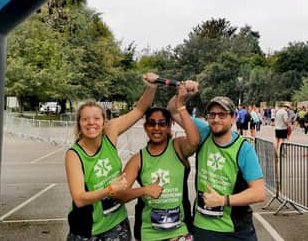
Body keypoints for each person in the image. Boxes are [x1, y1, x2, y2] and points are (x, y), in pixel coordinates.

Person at [64, 72, 160, 241]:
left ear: (104, 122)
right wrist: (110, 190)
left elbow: (139, 110)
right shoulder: (74, 155)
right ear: (79, 123)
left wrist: (151, 87)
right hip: (89, 230)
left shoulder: (110, 132)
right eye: (85, 119)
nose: (91, 123)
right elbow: (79, 199)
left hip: (117, 224)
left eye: (96, 118)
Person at [168, 96, 265, 241]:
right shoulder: (203, 132)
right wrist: (184, 92)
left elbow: (259, 193)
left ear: (233, 118)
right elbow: (172, 110)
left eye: (222, 114)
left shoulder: (244, 149)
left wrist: (223, 200)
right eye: (212, 115)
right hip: (204, 227)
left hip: (235, 229)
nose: (216, 119)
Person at [117, 81, 200, 241]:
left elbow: (195, 141)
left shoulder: (177, 147)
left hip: (180, 230)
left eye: (162, 124)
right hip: (149, 232)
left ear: (169, 127)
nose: (157, 128)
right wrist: (144, 190)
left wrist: (181, 105)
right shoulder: (138, 159)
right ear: (145, 127)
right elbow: (119, 195)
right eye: (152, 123)